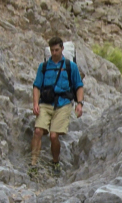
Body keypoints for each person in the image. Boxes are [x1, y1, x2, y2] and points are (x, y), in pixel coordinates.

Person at [30, 37, 85, 177]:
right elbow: (36, 86)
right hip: (46, 103)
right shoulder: (43, 67)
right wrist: (35, 103)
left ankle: (55, 162)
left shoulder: (70, 66)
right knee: (38, 131)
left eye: (57, 50)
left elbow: (79, 86)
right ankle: (33, 164)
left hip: (63, 104)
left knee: (54, 136)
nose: (54, 53)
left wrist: (79, 103)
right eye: (52, 50)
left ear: (62, 49)